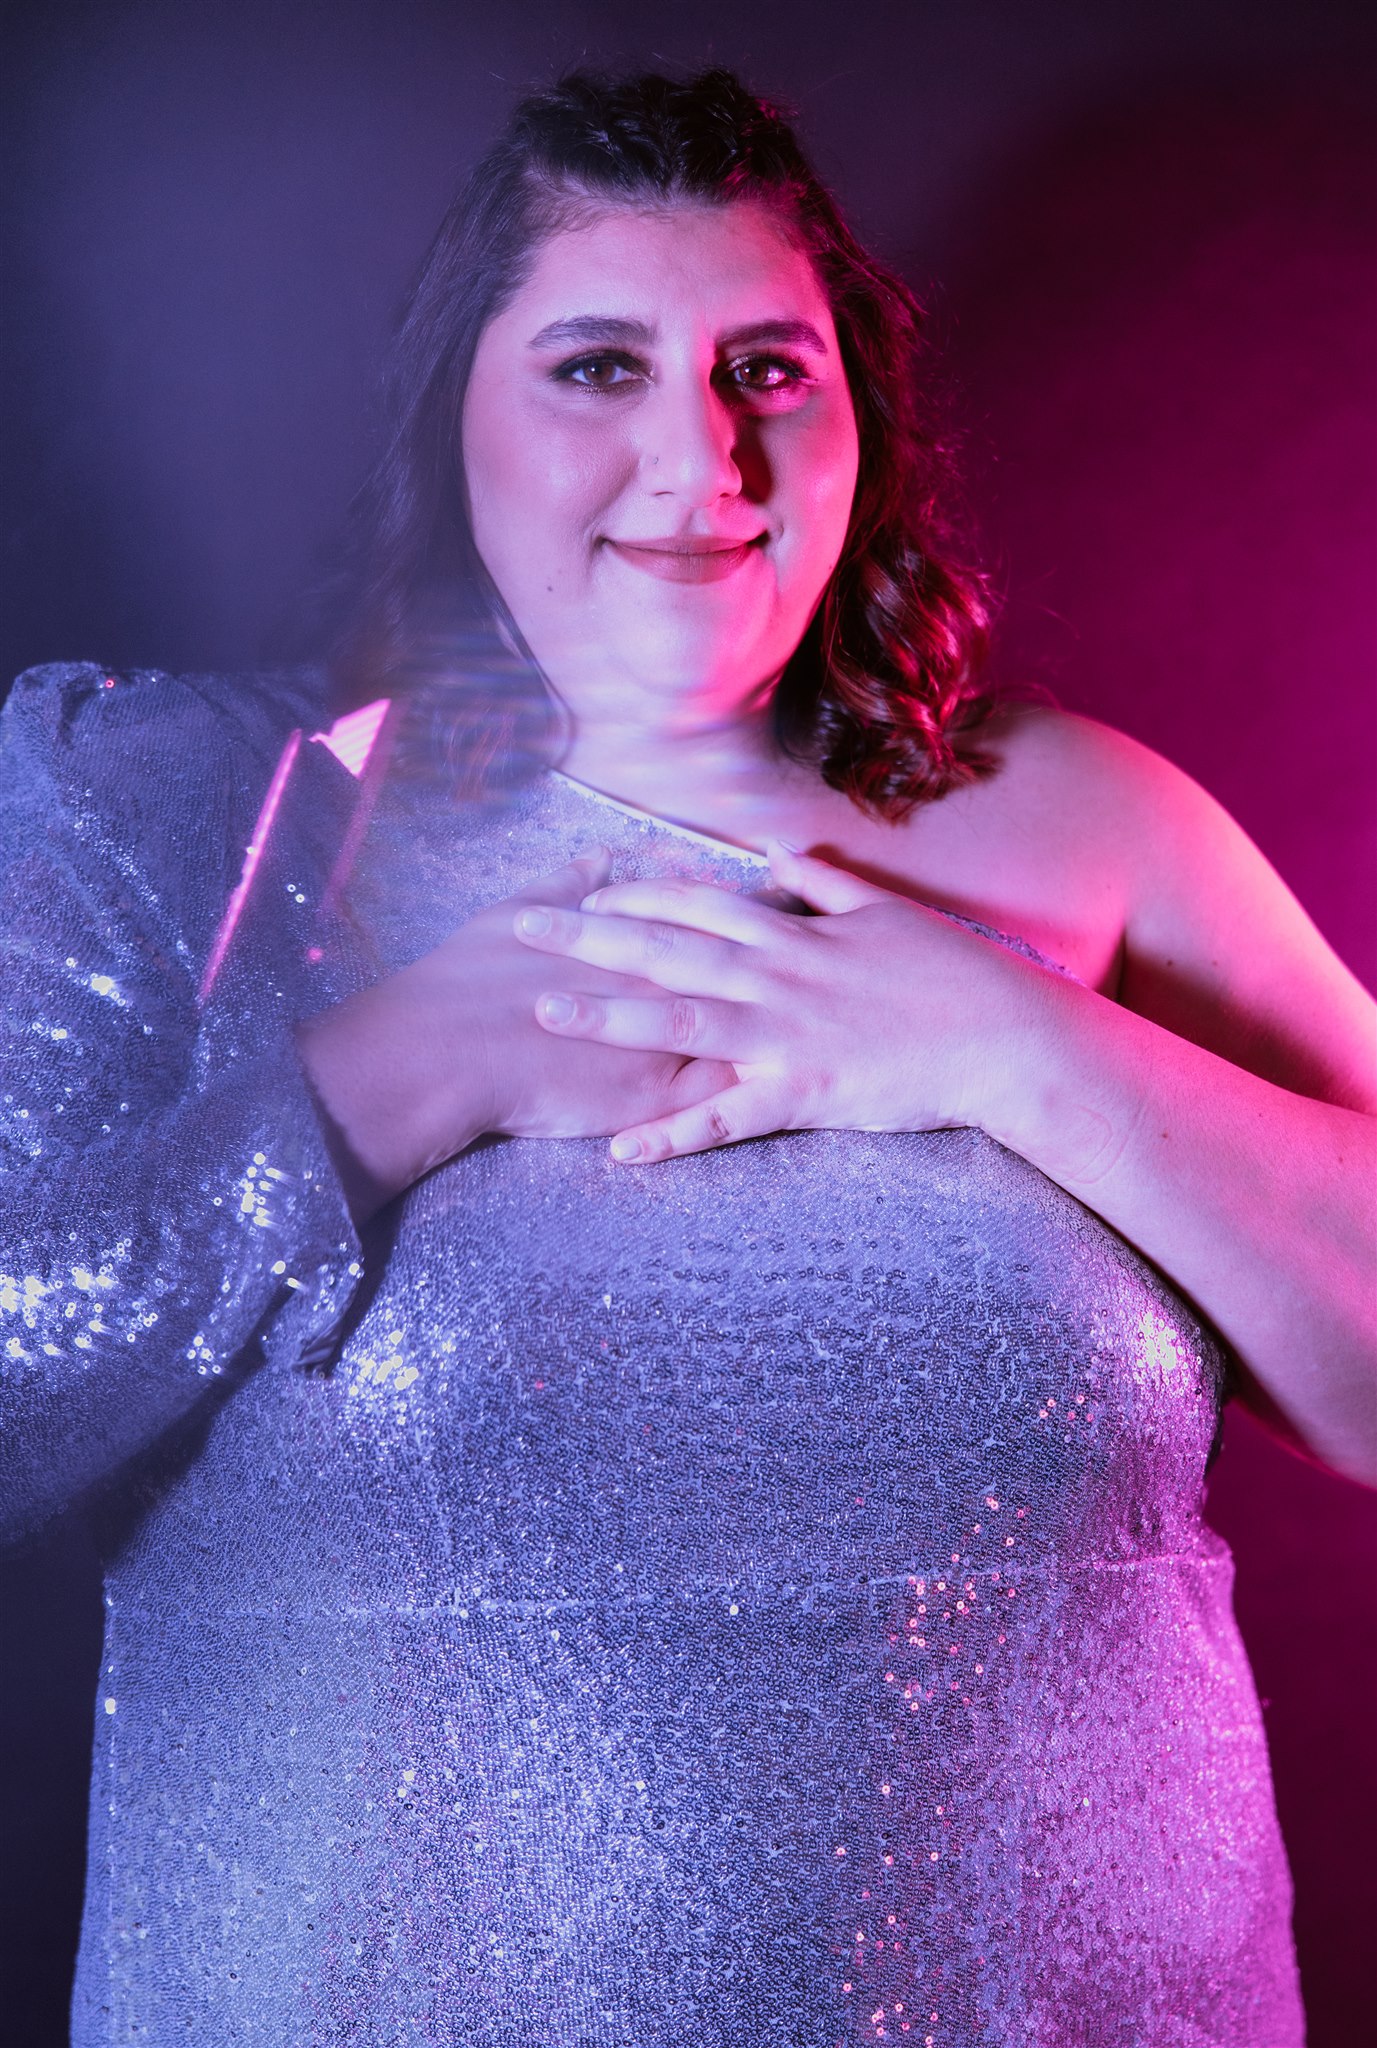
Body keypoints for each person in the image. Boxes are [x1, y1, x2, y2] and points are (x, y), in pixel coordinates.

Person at [1, 66, 1371, 2047]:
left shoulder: (1091, 827)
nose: (697, 454)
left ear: (854, 416)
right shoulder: (181, 817)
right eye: (595, 367)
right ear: (453, 415)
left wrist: (1013, 1044)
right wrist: (379, 1082)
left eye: (765, 371)